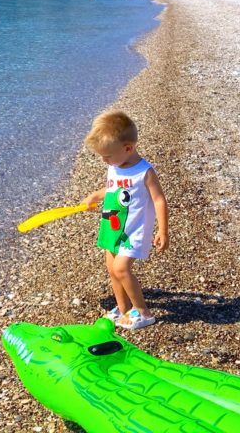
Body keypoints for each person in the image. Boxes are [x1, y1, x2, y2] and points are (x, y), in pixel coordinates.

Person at [81, 111, 168, 330]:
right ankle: (123, 307)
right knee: (111, 268)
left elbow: (159, 200)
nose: (104, 161)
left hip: (134, 230)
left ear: (127, 148)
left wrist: (163, 231)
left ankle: (143, 312)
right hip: (113, 226)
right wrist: (95, 196)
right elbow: (113, 189)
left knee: (121, 268)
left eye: (107, 156)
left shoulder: (144, 172)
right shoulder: (115, 166)